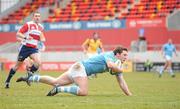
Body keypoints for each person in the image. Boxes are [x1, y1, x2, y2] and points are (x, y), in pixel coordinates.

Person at [16, 46, 132, 96]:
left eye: (127, 56)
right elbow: (110, 65)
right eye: (124, 55)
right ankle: (59, 90)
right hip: (80, 68)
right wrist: (120, 68)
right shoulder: (110, 56)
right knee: (83, 91)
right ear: (117, 54)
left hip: (78, 68)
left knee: (55, 81)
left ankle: (30, 77)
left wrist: (129, 95)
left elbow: (121, 81)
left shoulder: (117, 63)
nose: (126, 58)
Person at [5, 11, 46, 88]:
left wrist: (42, 40)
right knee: (17, 66)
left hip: (33, 48)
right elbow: (18, 33)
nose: (37, 17)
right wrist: (26, 37)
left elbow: (41, 36)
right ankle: (7, 81)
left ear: (40, 18)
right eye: (36, 16)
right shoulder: (28, 24)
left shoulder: (41, 27)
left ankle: (28, 75)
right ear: (33, 17)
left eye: (38, 16)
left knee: (38, 62)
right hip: (25, 48)